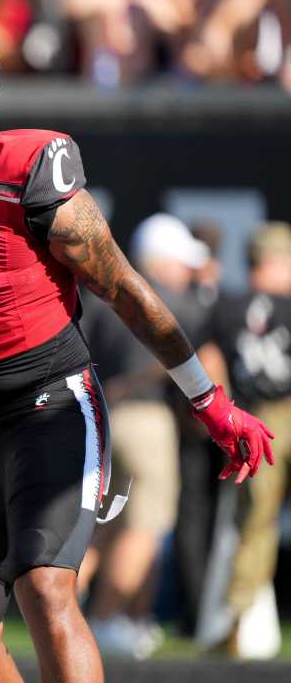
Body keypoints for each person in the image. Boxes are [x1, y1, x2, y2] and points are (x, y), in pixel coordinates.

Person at [0, 21, 274, 683]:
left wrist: (208, 401)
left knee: (45, 588)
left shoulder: (26, 169)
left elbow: (125, 289)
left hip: (51, 403)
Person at [78, 214, 210, 658]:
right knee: (145, 529)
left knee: (106, 529)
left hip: (104, 420)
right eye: (179, 262)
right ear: (160, 260)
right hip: (146, 422)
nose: (185, 271)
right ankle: (105, 620)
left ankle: (102, 617)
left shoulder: (97, 299)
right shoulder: (173, 301)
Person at [200, 222, 291, 657]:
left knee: (255, 523)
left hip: (251, 419)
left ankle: (237, 614)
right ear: (277, 260)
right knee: (257, 524)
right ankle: (238, 616)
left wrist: (228, 418)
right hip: (283, 412)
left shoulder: (227, 304)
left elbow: (210, 361)